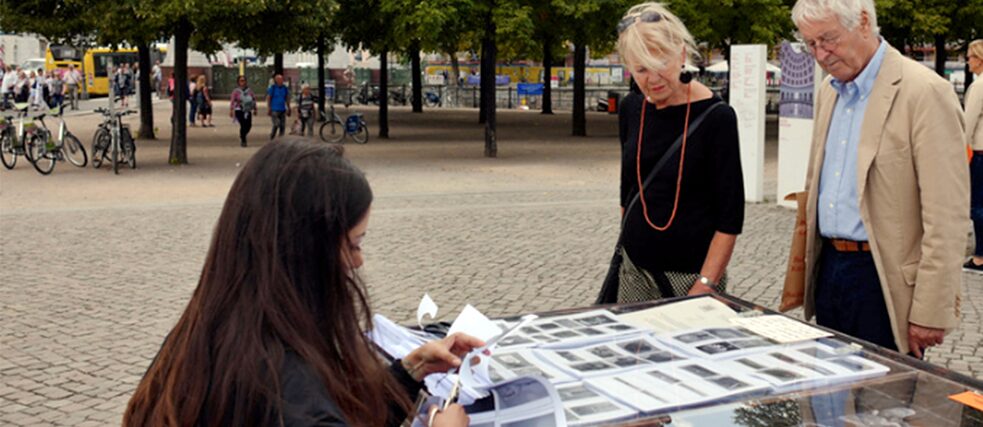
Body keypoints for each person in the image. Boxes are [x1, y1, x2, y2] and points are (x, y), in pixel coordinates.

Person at [122, 140, 477, 427]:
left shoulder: (209, 334)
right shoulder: (285, 382)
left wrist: (407, 373)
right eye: (354, 244)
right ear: (307, 253)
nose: (358, 262)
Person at [792, 0, 968, 358]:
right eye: (811, 44)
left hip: (883, 279)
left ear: (863, 23)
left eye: (828, 39)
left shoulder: (924, 92)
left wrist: (930, 311)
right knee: (830, 398)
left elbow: (947, 216)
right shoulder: (829, 91)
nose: (821, 54)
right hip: (830, 270)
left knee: (886, 408)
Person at [604, 2, 744, 303]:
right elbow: (627, 190)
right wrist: (630, 249)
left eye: (661, 66)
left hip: (691, 277)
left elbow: (730, 217)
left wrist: (706, 283)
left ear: (681, 54)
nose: (652, 80)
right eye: (641, 69)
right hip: (634, 273)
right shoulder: (631, 108)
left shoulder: (717, 117)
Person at [964, 39, 983, 272]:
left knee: (978, 205)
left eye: (969, 56)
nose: (968, 60)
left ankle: (979, 256)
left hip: (980, 153)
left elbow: (967, 123)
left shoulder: (978, 86)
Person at [230, 75, 258, 147]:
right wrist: (231, 110)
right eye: (241, 81)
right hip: (239, 109)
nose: (243, 82)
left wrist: (255, 108)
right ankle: (243, 140)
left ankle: (243, 134)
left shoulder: (249, 91)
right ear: (238, 82)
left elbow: (254, 99)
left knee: (249, 125)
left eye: (244, 80)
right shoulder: (236, 91)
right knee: (243, 125)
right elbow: (232, 101)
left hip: (247, 110)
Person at [267, 73, 291, 140]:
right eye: (279, 79)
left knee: (282, 125)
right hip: (274, 109)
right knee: (276, 124)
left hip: (282, 109)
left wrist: (288, 107)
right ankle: (272, 136)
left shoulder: (284, 88)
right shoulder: (273, 88)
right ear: (276, 80)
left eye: (282, 79)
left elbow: (286, 98)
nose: (281, 81)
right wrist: (269, 107)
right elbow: (269, 97)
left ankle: (281, 138)